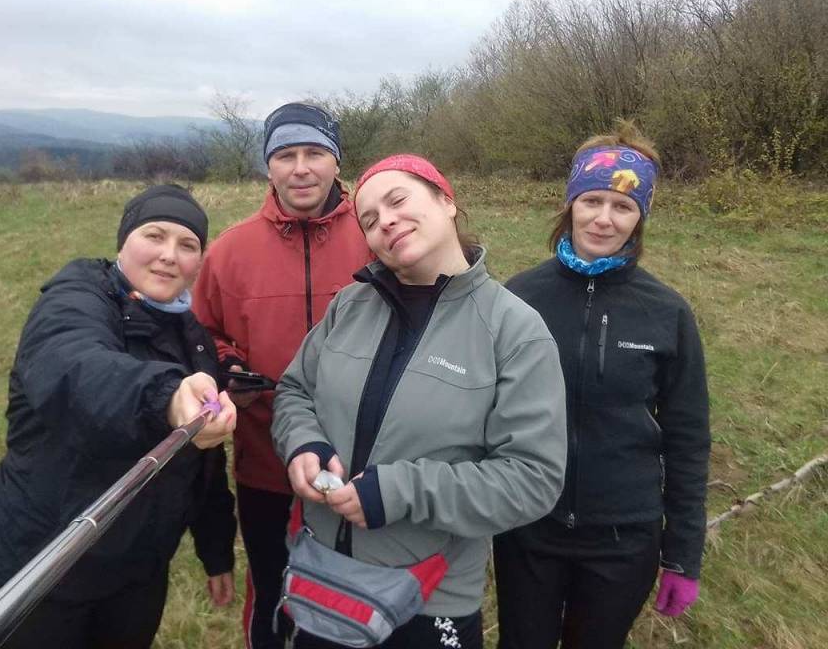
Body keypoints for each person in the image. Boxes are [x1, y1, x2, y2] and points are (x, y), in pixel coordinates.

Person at [271, 154, 568, 649]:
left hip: (428, 597)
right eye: (369, 220)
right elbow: (295, 391)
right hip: (323, 579)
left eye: (397, 200)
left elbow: (532, 478)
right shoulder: (348, 306)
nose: (385, 221)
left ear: (446, 202)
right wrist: (305, 444)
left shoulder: (514, 330)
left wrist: (400, 491)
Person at [0, 184, 237, 649]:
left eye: (187, 244)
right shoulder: (76, 299)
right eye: (154, 235)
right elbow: (75, 367)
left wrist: (216, 549)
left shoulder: (192, 337)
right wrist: (167, 397)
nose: (169, 255)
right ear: (124, 241)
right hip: (40, 565)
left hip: (137, 573)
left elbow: (202, 462)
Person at [493, 123, 711, 649]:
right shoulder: (518, 297)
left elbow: (688, 438)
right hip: (529, 526)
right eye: (592, 200)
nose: (604, 218)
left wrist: (683, 554)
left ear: (640, 218)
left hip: (624, 536)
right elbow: (482, 409)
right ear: (570, 204)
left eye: (623, 207)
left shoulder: (667, 312)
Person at [192, 101, 371, 649]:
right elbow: (201, 335)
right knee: (272, 588)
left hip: (367, 460)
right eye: (285, 155)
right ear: (268, 166)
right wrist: (227, 366)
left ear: (337, 162)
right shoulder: (230, 251)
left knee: (358, 595)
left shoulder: (376, 237)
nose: (300, 169)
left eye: (314, 153)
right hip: (265, 460)